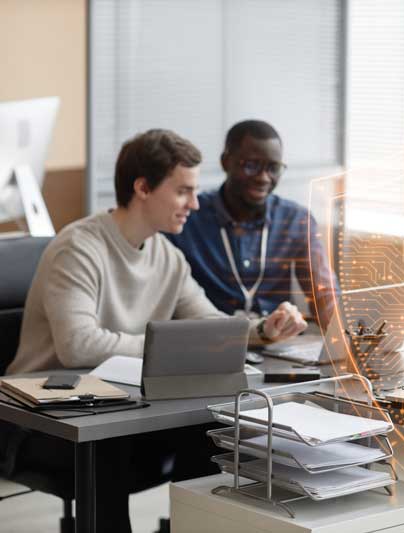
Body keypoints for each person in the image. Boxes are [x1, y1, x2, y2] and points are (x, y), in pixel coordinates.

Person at [3, 129, 306, 532]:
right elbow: (78, 346)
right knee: (106, 446)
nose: (194, 204)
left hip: (121, 411)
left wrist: (263, 329)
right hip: (42, 423)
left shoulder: (168, 257)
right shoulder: (78, 248)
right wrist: (167, 348)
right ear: (143, 187)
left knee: (213, 432)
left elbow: (210, 324)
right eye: (183, 192)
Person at [166, 119, 337, 329]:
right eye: (251, 165)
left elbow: (325, 295)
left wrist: (347, 339)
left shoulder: (295, 220)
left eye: (273, 168)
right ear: (226, 162)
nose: (264, 178)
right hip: (214, 343)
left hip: (279, 346)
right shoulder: (187, 219)